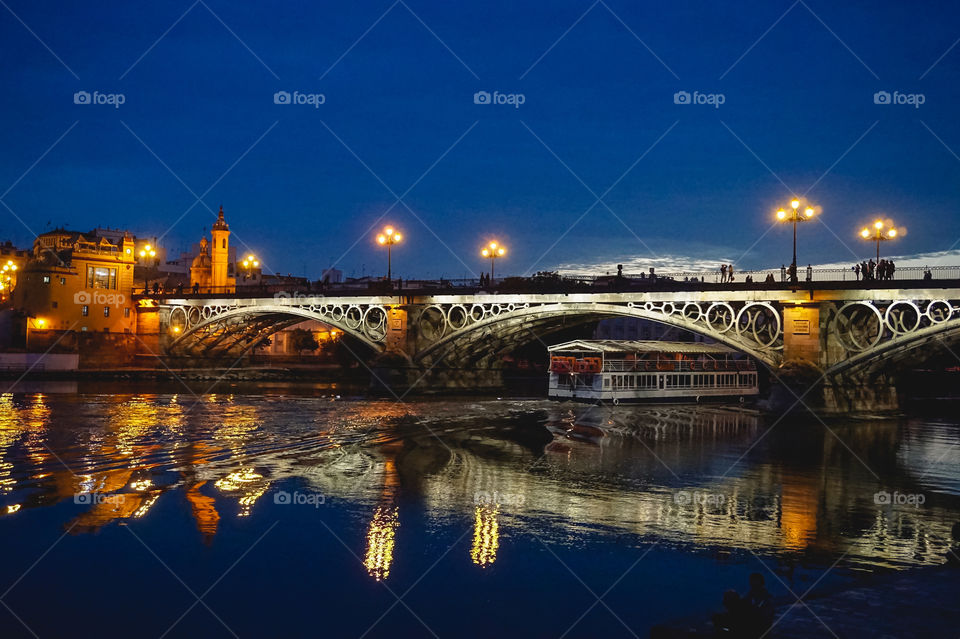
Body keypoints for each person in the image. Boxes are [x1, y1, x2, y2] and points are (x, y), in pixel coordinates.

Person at [743, 572, 774, 637]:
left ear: (761, 583)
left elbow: (767, 617)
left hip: (761, 631)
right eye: (752, 582)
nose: (754, 584)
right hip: (749, 630)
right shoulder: (748, 596)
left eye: (756, 582)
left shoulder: (766, 598)